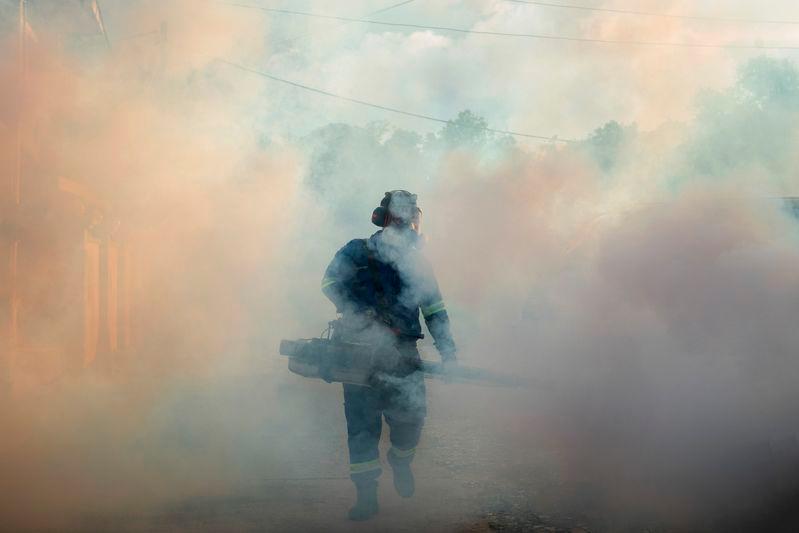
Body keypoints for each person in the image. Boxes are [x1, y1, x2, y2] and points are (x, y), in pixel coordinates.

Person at [321, 190, 457, 521]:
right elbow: (329, 283)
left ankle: (401, 460)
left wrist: (448, 352)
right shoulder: (356, 251)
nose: (405, 228)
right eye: (399, 220)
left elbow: (434, 309)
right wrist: (359, 313)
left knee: (410, 419)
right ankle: (366, 497)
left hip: (402, 354)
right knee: (362, 428)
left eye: (409, 221)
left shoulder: (418, 263)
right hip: (357, 351)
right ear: (383, 220)